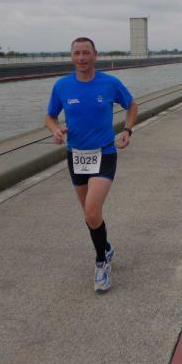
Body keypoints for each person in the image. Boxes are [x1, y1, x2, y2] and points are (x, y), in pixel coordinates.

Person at [45, 37, 138, 293]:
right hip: (76, 156)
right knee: (89, 214)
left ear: (96, 55)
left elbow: (132, 105)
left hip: (104, 153)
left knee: (92, 212)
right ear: (71, 56)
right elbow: (50, 116)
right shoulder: (62, 85)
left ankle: (101, 263)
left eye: (86, 53)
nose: (81, 58)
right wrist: (55, 129)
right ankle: (105, 247)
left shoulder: (110, 83)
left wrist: (127, 130)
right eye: (76, 53)